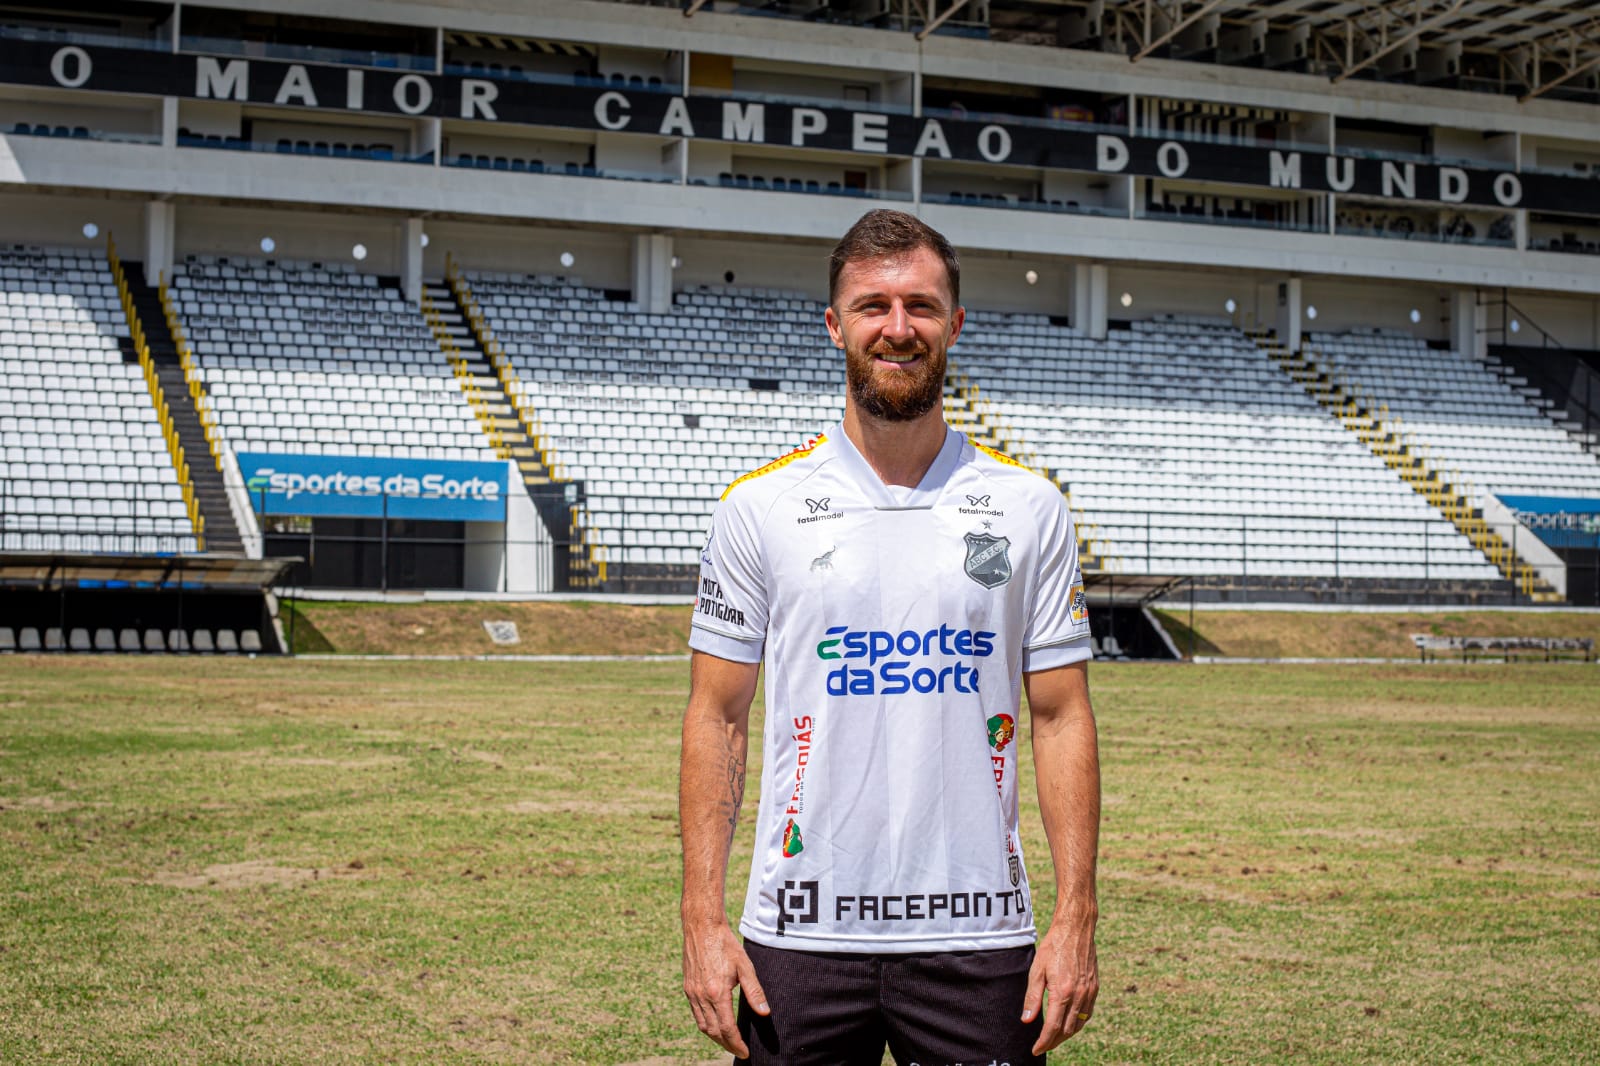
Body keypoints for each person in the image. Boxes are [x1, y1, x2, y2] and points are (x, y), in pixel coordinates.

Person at [680, 208, 1100, 1064]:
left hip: (979, 936)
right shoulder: (757, 507)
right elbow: (717, 715)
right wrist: (702, 918)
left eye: (921, 305)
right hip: (799, 931)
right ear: (835, 324)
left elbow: (1060, 718)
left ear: (955, 323)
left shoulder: (1030, 509)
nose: (898, 328)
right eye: (873, 306)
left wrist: (1075, 917)